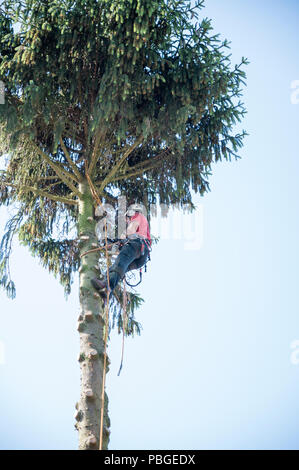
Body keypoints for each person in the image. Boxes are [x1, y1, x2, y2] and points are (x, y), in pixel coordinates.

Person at [91, 204, 151, 296]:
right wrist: (116, 243)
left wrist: (119, 239)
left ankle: (106, 287)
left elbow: (130, 231)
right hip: (141, 258)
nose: (127, 222)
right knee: (117, 269)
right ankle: (106, 294)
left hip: (137, 245)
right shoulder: (143, 226)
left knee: (118, 265)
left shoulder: (138, 216)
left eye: (127, 219)